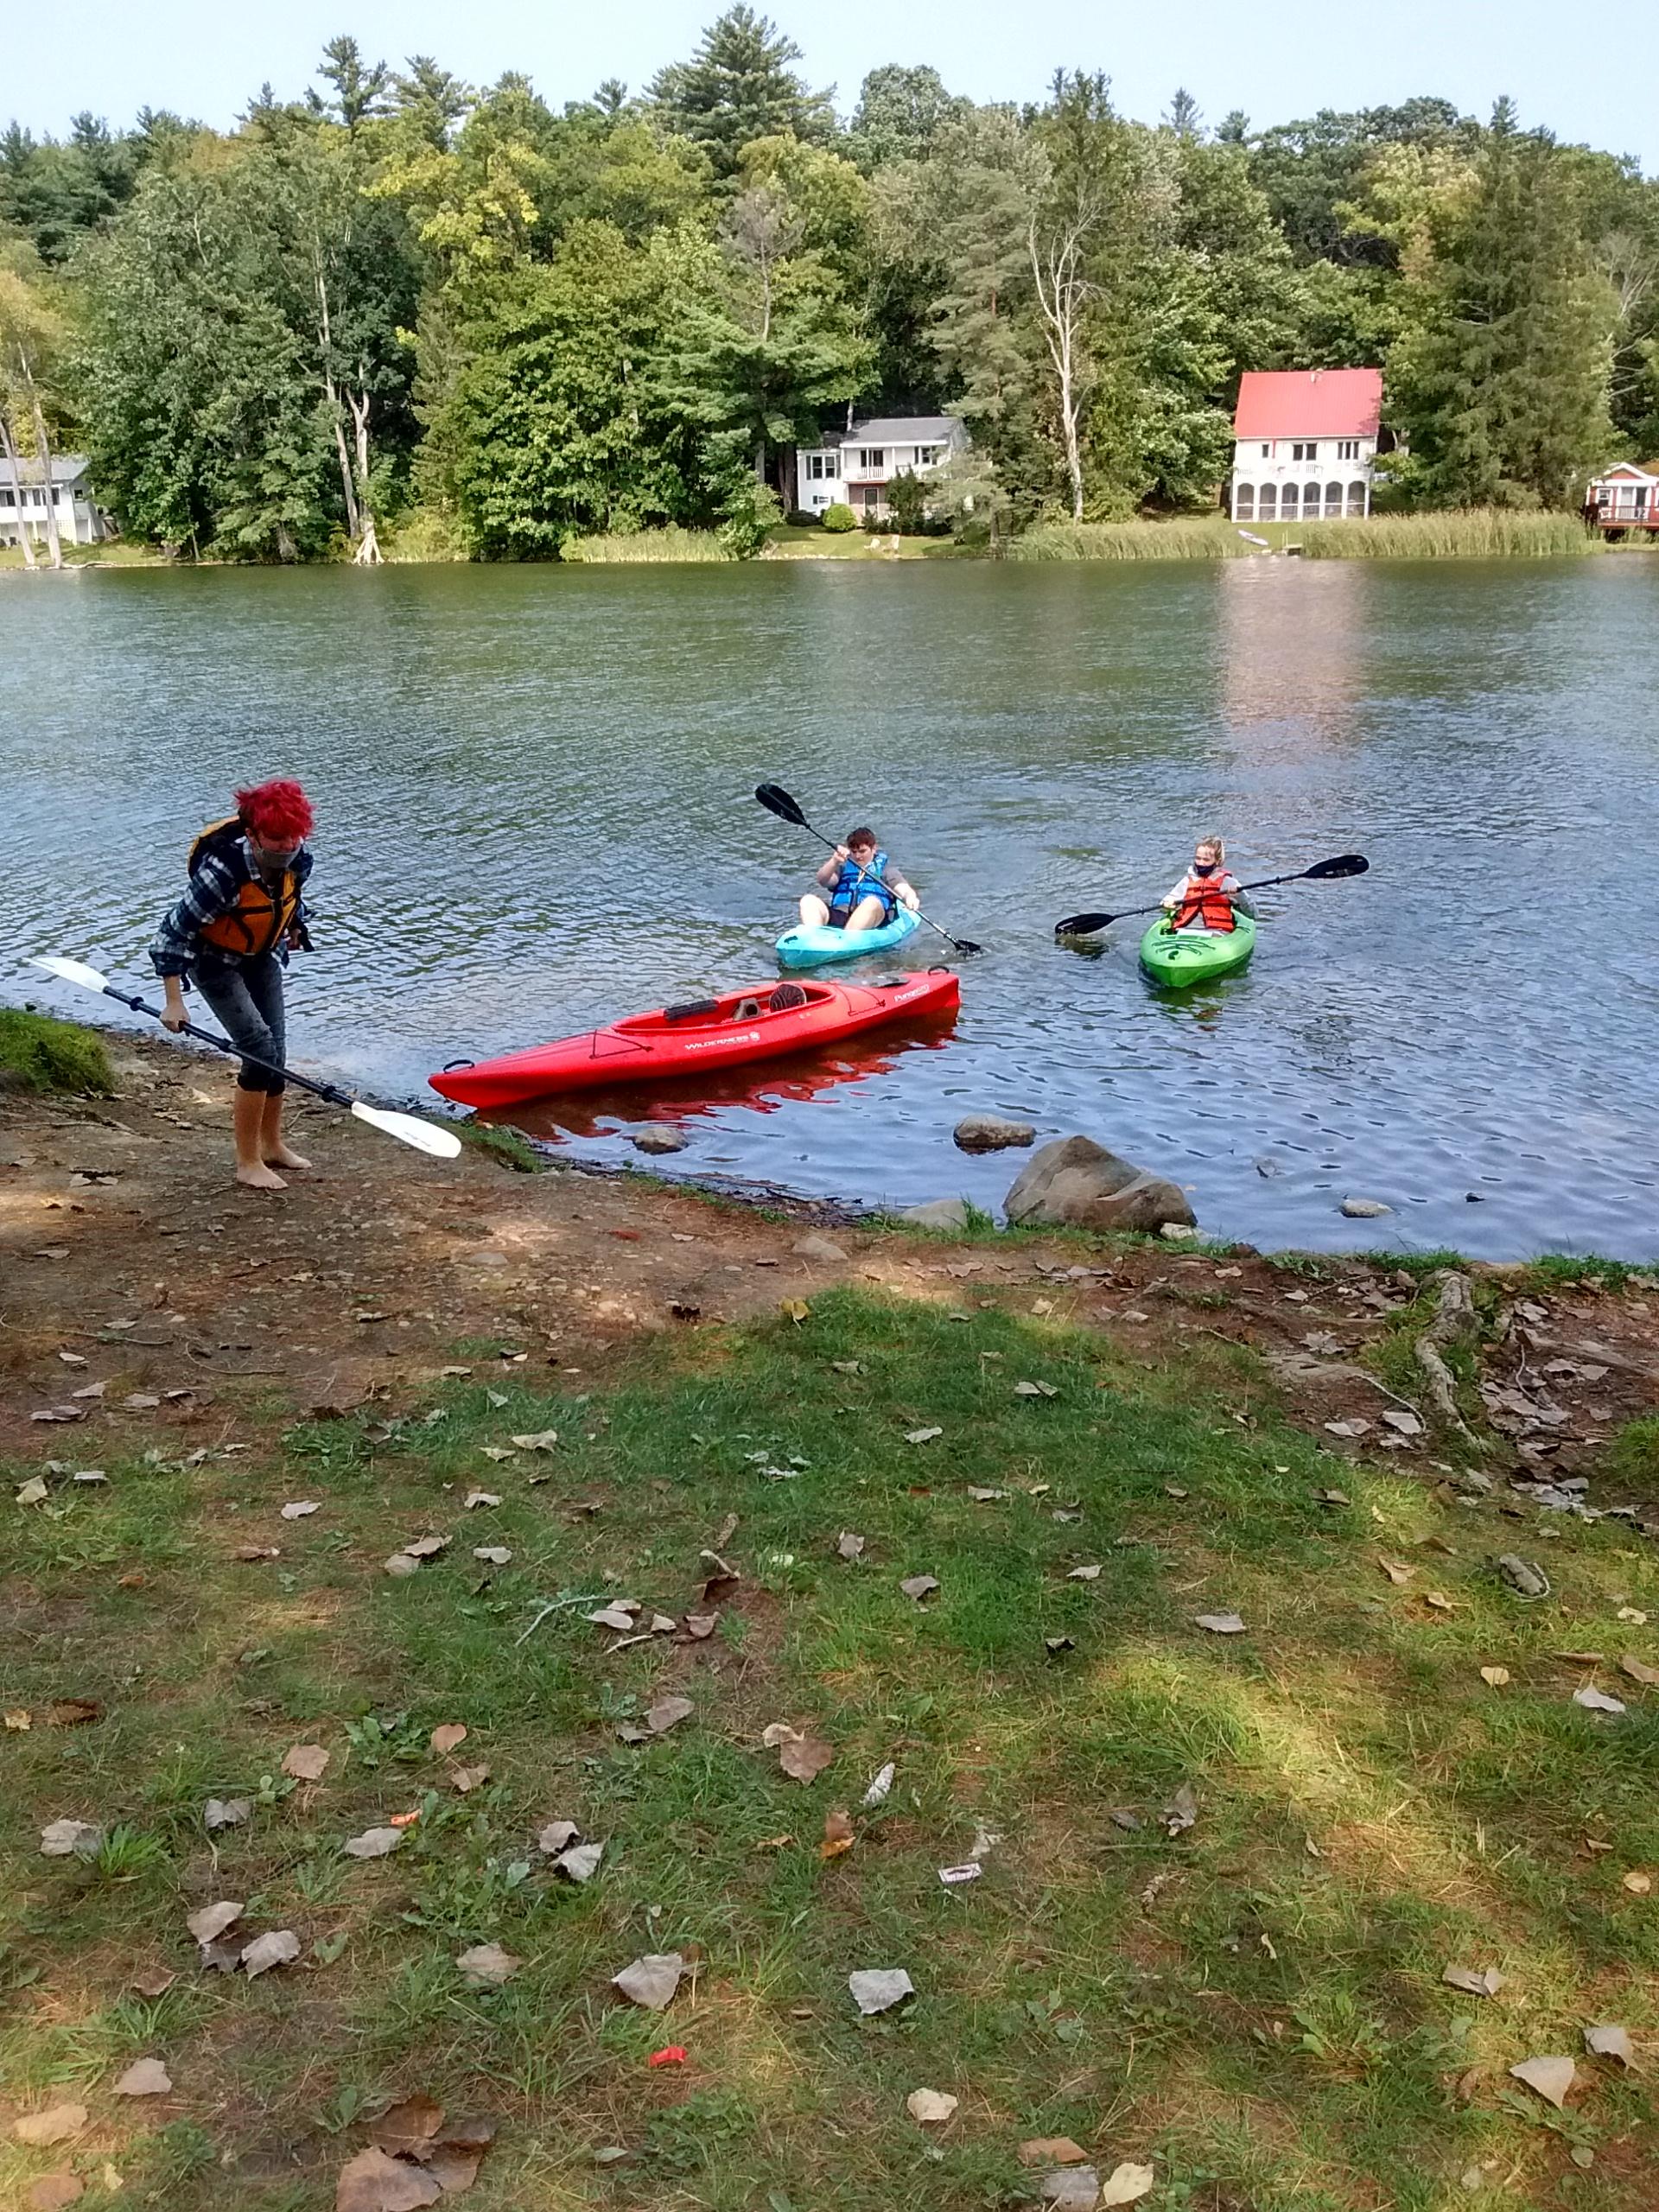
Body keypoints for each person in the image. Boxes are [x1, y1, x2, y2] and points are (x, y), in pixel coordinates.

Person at [150, 779, 315, 1192]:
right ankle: (247, 1162)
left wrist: (295, 927)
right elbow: (172, 934)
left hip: (262, 956)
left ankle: (273, 1144)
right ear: (253, 833)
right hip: (214, 963)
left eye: (293, 837)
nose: (286, 845)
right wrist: (174, 1001)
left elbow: (288, 901)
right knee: (258, 1050)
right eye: (276, 838)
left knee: (276, 1049)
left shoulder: (297, 857)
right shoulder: (222, 872)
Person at [798, 827, 919, 936]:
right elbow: (823, 881)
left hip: (873, 919)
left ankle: (846, 940)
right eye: (854, 852)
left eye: (862, 851)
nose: (857, 856)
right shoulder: (843, 868)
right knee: (808, 900)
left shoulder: (886, 870)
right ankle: (812, 938)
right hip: (842, 915)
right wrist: (834, 861)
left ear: (874, 849)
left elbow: (902, 888)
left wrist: (910, 897)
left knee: (871, 902)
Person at [1162, 836, 1255, 932]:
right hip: (1185, 931)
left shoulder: (1229, 882)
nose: (1201, 863)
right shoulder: (1187, 881)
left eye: (1206, 860)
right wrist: (1167, 905)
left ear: (1217, 861)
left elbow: (1252, 913)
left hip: (1217, 933)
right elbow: (1165, 903)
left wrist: (1240, 896)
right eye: (1198, 858)